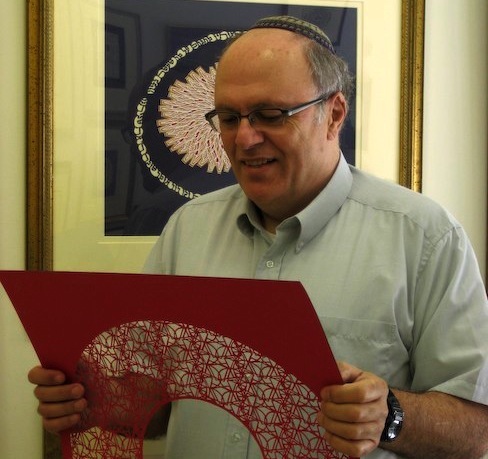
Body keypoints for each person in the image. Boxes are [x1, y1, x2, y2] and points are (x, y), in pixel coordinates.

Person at [28, 15, 488, 459]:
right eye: (229, 118)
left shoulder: (426, 238)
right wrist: (88, 403)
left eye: (270, 114)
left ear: (334, 114)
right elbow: (157, 411)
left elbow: (476, 431)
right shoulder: (187, 230)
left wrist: (390, 415)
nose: (245, 139)